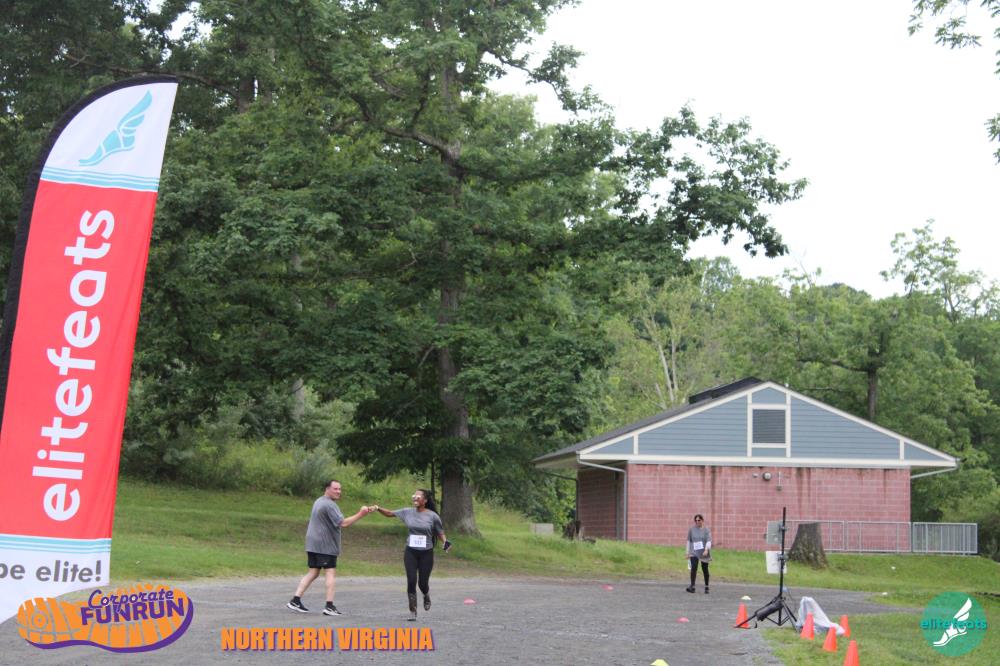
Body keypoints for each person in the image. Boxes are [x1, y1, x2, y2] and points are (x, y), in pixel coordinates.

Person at [287, 479, 374, 615]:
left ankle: (295, 600)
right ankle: (329, 606)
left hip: (312, 543)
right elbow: (343, 523)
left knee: (313, 572)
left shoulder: (319, 501)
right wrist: (361, 514)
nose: (339, 491)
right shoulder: (329, 505)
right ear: (327, 489)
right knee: (330, 572)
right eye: (335, 489)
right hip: (325, 545)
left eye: (340, 489)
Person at [374, 489, 451, 621]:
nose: (415, 498)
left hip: (426, 553)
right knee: (411, 580)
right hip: (411, 552)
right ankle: (413, 610)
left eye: (418, 496)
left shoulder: (432, 516)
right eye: (414, 496)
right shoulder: (407, 512)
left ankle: (426, 595)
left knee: (422, 583)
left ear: (425, 500)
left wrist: (445, 542)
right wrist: (377, 508)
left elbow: (440, 532)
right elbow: (390, 513)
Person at [685, 513, 712, 594]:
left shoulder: (706, 530)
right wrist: (687, 552)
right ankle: (692, 586)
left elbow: (709, 541)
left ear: (702, 520)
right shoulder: (691, 530)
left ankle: (706, 586)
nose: (697, 522)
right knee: (693, 568)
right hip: (694, 552)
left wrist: (706, 549)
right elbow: (689, 541)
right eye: (696, 520)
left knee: (705, 569)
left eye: (699, 520)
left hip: (704, 552)